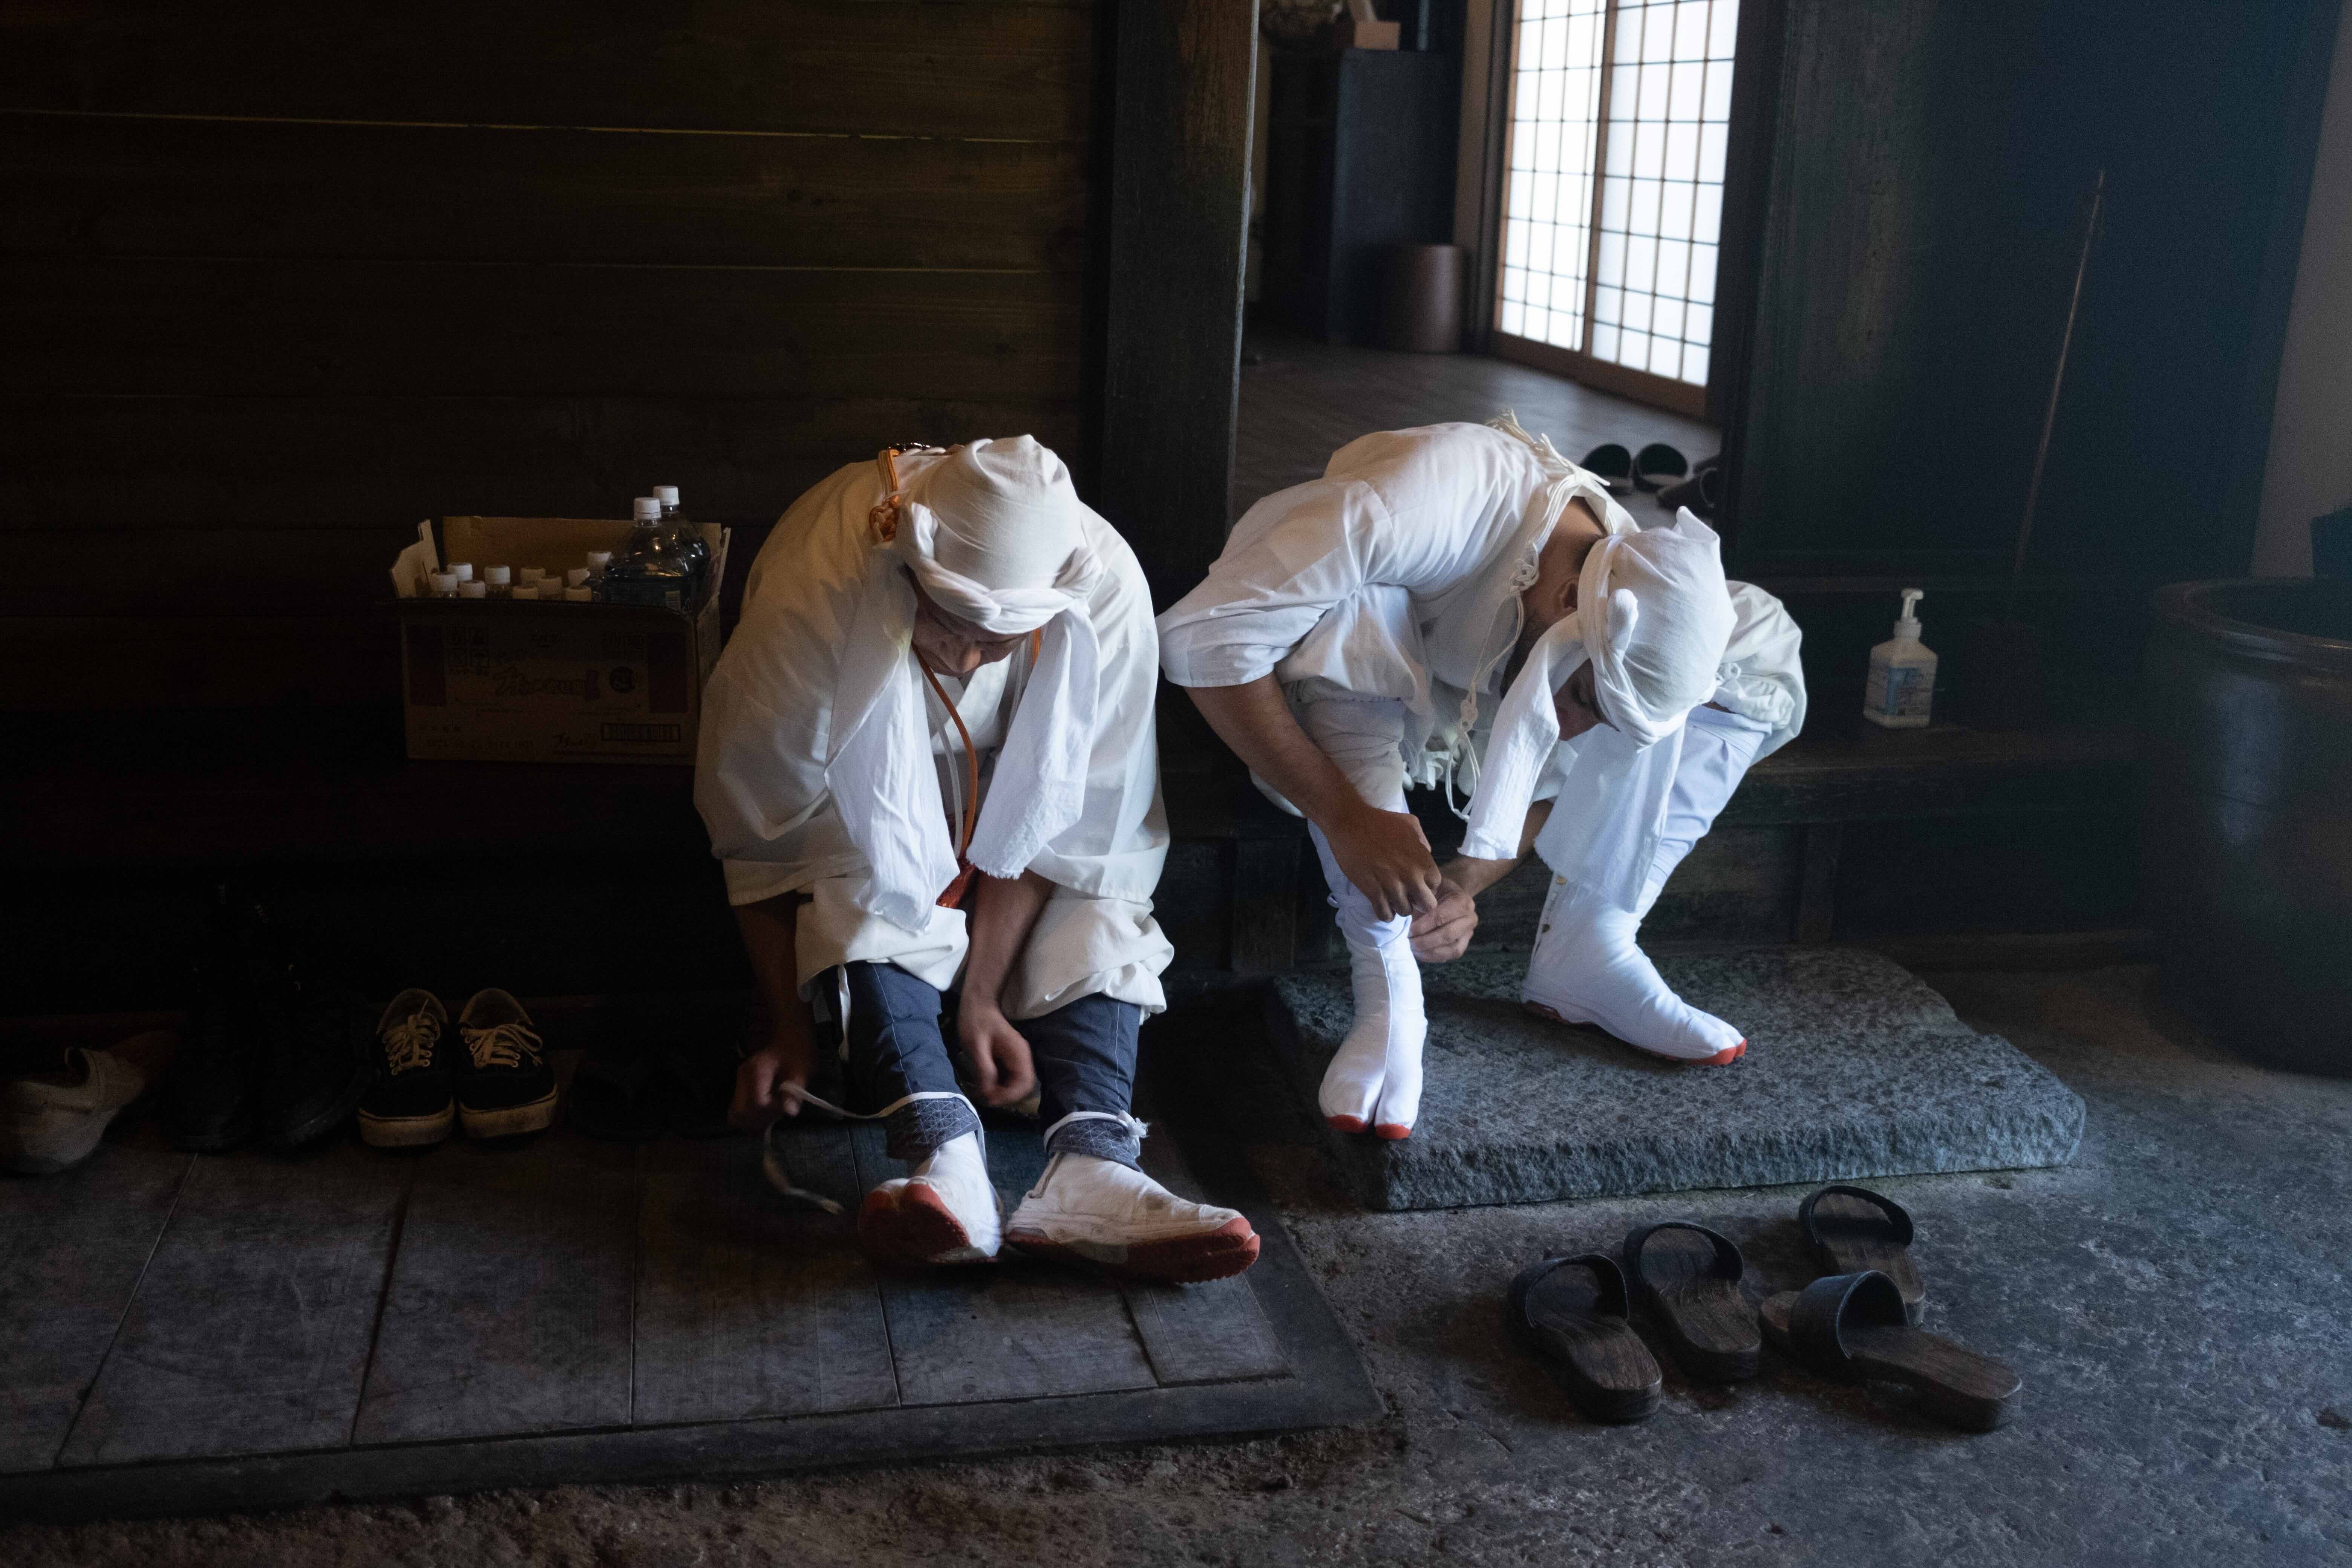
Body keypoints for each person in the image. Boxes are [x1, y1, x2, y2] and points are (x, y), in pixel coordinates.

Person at [697, 436, 1258, 1282]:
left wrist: (983, 998)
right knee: (867, 879)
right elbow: (763, 829)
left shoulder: (1105, 588)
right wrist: (789, 1026)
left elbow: (1069, 828)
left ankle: (1094, 1166)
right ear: (907, 564)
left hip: (1003, 794)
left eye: (994, 643)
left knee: (1102, 895)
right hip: (862, 785)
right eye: (950, 625)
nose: (965, 661)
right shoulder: (818, 590)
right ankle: (946, 1156)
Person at [1158, 416, 1804, 1139]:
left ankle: (1591, 942)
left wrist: (1466, 882)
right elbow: (1203, 637)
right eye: (1582, 700)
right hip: (1375, 665)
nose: (1576, 731)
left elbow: (1563, 772)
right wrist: (1346, 817)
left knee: (1762, 637)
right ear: (1570, 602)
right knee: (1362, 606)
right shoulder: (1417, 504)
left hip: (1483, 683)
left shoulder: (1620, 579)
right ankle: (1389, 988)